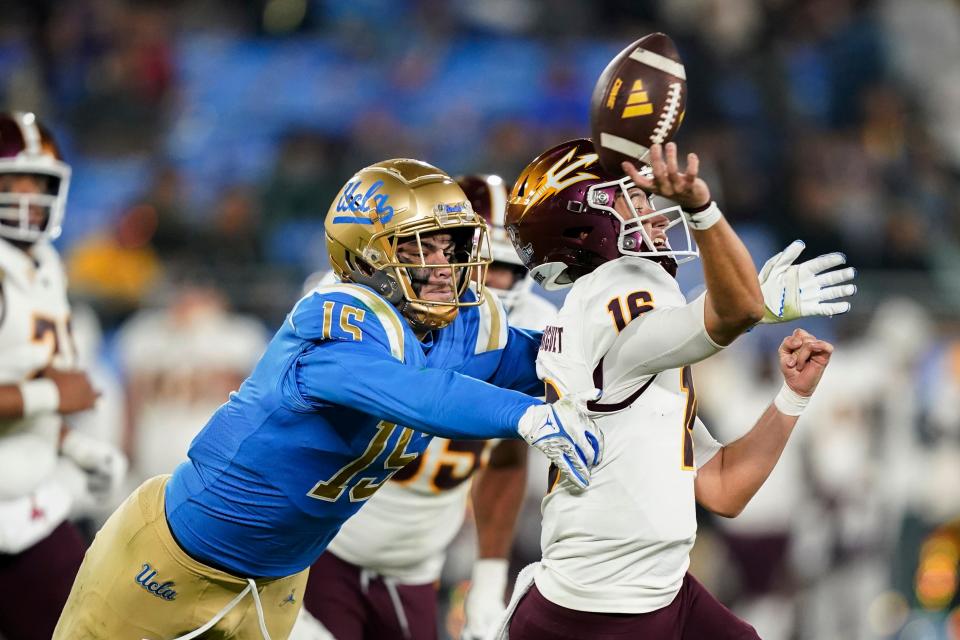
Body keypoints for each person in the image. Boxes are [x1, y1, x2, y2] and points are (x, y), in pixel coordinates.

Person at [54, 158, 602, 640]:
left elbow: (552, 362)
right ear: (365, 257)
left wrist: (633, 331)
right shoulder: (335, 319)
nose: (443, 266)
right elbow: (413, 392)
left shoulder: (461, 327)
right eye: (418, 247)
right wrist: (526, 415)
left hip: (277, 584)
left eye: (450, 244)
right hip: (173, 562)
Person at [491, 139, 856, 639]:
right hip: (601, 611)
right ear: (584, 227)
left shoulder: (617, 327)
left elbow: (723, 487)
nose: (657, 217)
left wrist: (793, 396)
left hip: (653, 589)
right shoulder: (613, 291)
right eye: (635, 202)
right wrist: (702, 210)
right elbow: (731, 314)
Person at [291, 174, 558, 640]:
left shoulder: (534, 326)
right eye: (473, 259)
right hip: (325, 543)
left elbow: (507, 458)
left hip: (417, 562)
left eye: (504, 267)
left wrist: (489, 581)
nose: (487, 282)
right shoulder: (360, 305)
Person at [0, 111, 127, 640]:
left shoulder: (45, 265)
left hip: (26, 509)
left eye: (39, 183)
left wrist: (72, 446)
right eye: (13, 183)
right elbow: (49, 390)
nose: (29, 197)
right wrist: (51, 393)